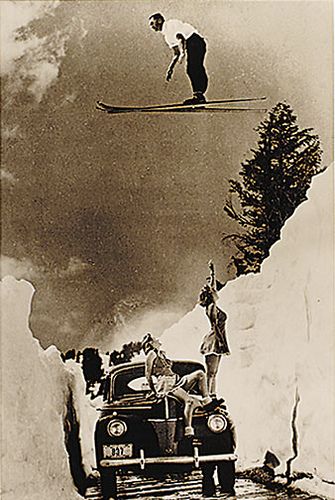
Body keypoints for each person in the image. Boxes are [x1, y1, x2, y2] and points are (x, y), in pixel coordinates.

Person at [141, 333, 220, 437]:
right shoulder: (151, 354)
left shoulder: (160, 353)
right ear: (150, 343)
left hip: (176, 380)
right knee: (189, 401)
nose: (158, 339)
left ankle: (207, 400)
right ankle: (188, 428)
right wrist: (154, 390)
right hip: (167, 384)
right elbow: (148, 375)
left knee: (200, 374)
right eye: (155, 339)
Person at [148, 13, 208, 104]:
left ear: (159, 20)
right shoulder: (167, 37)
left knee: (192, 68)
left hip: (195, 41)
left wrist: (183, 53)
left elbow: (180, 38)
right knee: (192, 68)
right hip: (190, 45)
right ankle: (199, 95)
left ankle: (199, 95)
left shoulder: (169, 25)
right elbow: (176, 53)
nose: (151, 27)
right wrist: (170, 68)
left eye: (152, 23)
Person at [199, 261, 230, 397]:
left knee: (213, 372)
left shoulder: (213, 306)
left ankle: (212, 394)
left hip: (215, 339)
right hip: (214, 340)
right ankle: (209, 395)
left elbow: (213, 288)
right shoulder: (212, 307)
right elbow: (217, 327)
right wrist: (222, 343)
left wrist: (212, 273)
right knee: (211, 372)